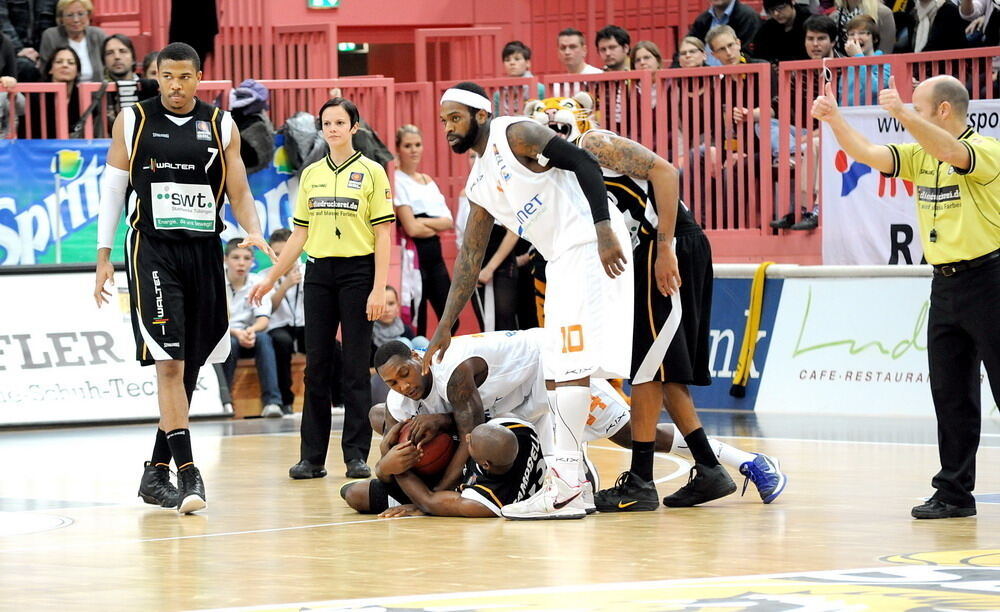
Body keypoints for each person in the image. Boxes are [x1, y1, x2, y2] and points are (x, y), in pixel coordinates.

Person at [533, 100, 787, 511]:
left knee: (648, 368)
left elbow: (666, 172)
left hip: (668, 245)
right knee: (658, 370)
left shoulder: (594, 142)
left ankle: (643, 479)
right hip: (648, 250)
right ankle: (708, 469)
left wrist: (664, 248)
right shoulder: (566, 172)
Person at [428, 81, 632, 520]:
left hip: (589, 242)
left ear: (480, 115)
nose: (447, 127)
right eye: (443, 120)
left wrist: (603, 230)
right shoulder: (479, 181)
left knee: (571, 368)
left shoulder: (512, 132)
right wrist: (446, 323)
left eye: (455, 117)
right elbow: (469, 255)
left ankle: (566, 488)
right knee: (559, 369)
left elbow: (583, 161)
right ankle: (569, 485)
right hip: (561, 258)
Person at [93, 42, 275, 515]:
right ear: (156, 76)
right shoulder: (132, 120)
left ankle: (155, 474)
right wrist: (103, 255)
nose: (175, 85)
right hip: (152, 250)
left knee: (192, 363)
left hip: (202, 250)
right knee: (169, 363)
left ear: (198, 78)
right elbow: (113, 187)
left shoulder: (220, 125)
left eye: (184, 77)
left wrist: (253, 231)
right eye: (166, 76)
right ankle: (189, 471)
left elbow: (238, 188)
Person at [812, 75, 1000, 519]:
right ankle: (954, 492)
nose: (910, 116)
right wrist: (836, 119)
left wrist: (899, 113)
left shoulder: (986, 150)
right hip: (946, 283)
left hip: (991, 278)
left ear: (943, 110)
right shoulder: (919, 155)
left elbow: (952, 152)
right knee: (950, 393)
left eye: (919, 109)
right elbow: (869, 154)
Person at [249, 97, 394, 481]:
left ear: (354, 127)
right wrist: (270, 277)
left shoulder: (373, 171)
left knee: (354, 368)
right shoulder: (311, 173)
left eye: (340, 122)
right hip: (318, 274)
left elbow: (383, 234)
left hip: (358, 274)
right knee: (316, 367)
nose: (332, 129)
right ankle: (311, 458)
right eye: (326, 123)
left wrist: (379, 287)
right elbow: (300, 233)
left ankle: (356, 456)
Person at [266, 228, 344, 417]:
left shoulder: (310, 271)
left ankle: (339, 400)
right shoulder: (266, 276)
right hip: (279, 327)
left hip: (304, 326)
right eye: (276, 254)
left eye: (286, 253)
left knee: (333, 346)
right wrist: (284, 286)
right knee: (281, 343)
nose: (281, 258)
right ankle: (286, 402)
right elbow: (267, 309)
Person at [392, 124, 455, 338]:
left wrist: (422, 222)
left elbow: (448, 221)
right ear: (398, 149)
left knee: (450, 317)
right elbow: (411, 228)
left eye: (417, 144)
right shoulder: (397, 181)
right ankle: (420, 367)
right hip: (414, 258)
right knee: (419, 321)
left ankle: (441, 360)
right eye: (408, 145)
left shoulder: (428, 181)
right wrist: (430, 223)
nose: (413, 150)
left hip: (435, 257)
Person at [220, 238, 282, 418]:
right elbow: (211, 320)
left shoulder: (258, 282)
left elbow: (263, 319)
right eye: (236, 257)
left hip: (250, 334)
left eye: (247, 258)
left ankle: (272, 402)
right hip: (227, 334)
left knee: (265, 339)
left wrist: (251, 331)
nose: (241, 263)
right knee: (227, 344)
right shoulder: (214, 281)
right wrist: (236, 333)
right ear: (225, 259)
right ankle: (225, 401)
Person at [102, 34, 158, 133]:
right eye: (110, 53)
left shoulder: (150, 87)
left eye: (123, 51)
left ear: (133, 57)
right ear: (103, 61)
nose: (117, 57)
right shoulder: (98, 92)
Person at [21, 45, 80, 138]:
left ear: (78, 71)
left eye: (71, 63)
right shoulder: (35, 97)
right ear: (50, 69)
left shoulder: (84, 97)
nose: (65, 65)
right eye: (59, 62)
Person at [39, 0, 106, 82]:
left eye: (81, 14)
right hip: (64, 91)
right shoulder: (51, 36)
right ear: (61, 18)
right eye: (70, 15)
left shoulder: (98, 35)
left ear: (88, 15)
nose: (76, 20)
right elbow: (45, 71)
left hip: (96, 92)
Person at [687, 0, 762, 67]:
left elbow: (746, 53)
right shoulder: (702, 20)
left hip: (739, 76)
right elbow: (687, 46)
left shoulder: (747, 16)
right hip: (706, 77)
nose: (728, 52)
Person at [841, 15, 892, 107]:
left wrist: (858, 58)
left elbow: (875, 89)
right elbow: (842, 98)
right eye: (851, 34)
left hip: (873, 118)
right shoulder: (847, 66)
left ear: (874, 38)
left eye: (862, 33)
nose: (856, 38)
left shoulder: (886, 63)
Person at [751, 0, 811, 64]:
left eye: (780, 8)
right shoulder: (767, 29)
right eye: (771, 10)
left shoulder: (809, 22)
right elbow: (759, 56)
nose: (776, 13)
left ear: (792, 3)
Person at [830, 0, 896, 55]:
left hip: (877, 67)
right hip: (843, 67)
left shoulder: (883, 13)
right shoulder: (834, 17)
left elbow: (886, 52)